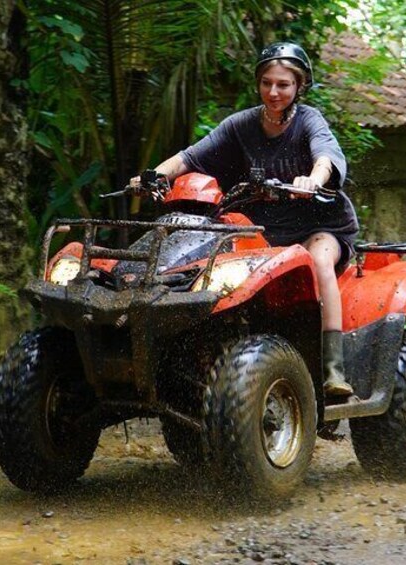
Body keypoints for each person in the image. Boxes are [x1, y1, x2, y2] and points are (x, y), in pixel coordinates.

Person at [130, 42, 358, 397]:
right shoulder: (242, 124)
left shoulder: (309, 120)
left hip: (318, 226)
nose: (273, 91)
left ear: (299, 86)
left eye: (283, 84)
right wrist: (153, 176)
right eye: (267, 82)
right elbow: (190, 156)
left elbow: (325, 155)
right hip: (261, 229)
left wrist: (314, 178)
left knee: (319, 261)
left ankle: (333, 370)